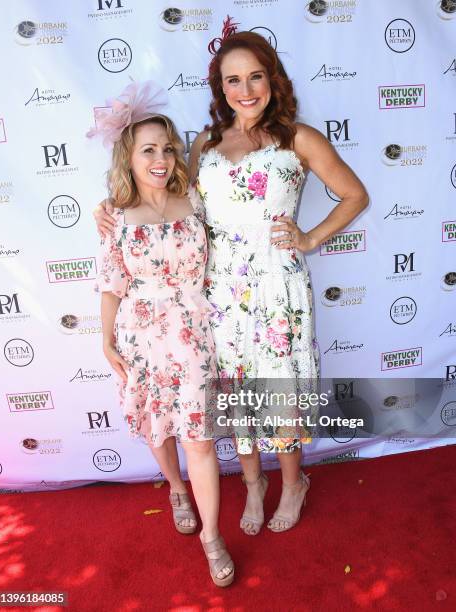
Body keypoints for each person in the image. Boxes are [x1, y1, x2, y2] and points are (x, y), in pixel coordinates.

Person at [95, 32, 368, 536]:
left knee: (279, 392)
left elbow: (354, 195)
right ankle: (253, 483)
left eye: (255, 76)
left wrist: (309, 238)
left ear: (272, 80)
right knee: (236, 391)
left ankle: (291, 482)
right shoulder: (204, 143)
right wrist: (109, 207)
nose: (245, 89)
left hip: (276, 288)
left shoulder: (299, 139)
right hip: (217, 291)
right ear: (219, 88)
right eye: (232, 79)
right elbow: (169, 196)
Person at [90, 81, 234, 587]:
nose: (161, 159)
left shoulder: (194, 197)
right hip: (140, 336)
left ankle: (211, 537)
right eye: (148, 150)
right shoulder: (116, 217)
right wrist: (106, 341)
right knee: (158, 426)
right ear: (127, 158)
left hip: (194, 333)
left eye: (167, 149)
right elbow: (111, 285)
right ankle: (175, 487)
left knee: (199, 437)